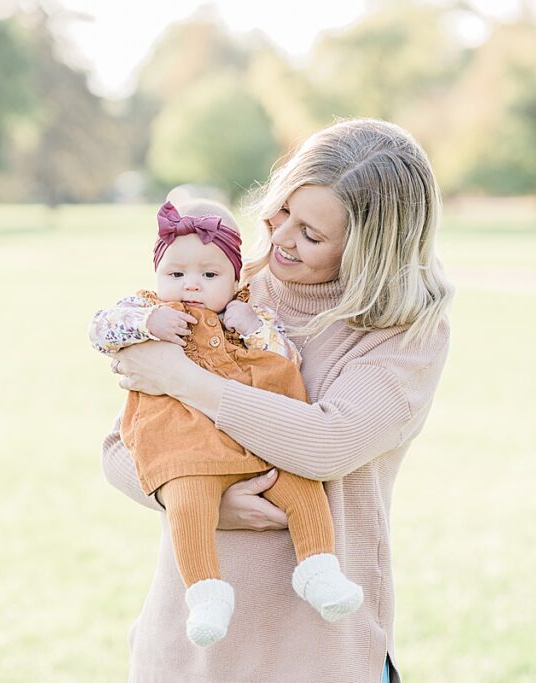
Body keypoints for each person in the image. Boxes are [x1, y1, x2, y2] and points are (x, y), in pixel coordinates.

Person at [102, 118, 453, 682]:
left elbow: (325, 442)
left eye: (312, 234)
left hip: (313, 655)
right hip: (187, 651)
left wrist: (181, 378)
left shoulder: (403, 334)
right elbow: (121, 447)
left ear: (371, 247)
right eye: (281, 211)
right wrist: (201, 501)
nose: (282, 237)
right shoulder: (224, 287)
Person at [89, 196, 362, 648]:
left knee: (301, 488)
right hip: (185, 450)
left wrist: (254, 325)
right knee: (188, 500)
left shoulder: (250, 316)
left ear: (236, 279)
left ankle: (319, 569)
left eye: (209, 275)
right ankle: (205, 592)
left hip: (253, 448)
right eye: (176, 274)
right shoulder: (146, 310)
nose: (190, 285)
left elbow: (287, 360)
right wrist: (145, 322)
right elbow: (99, 329)